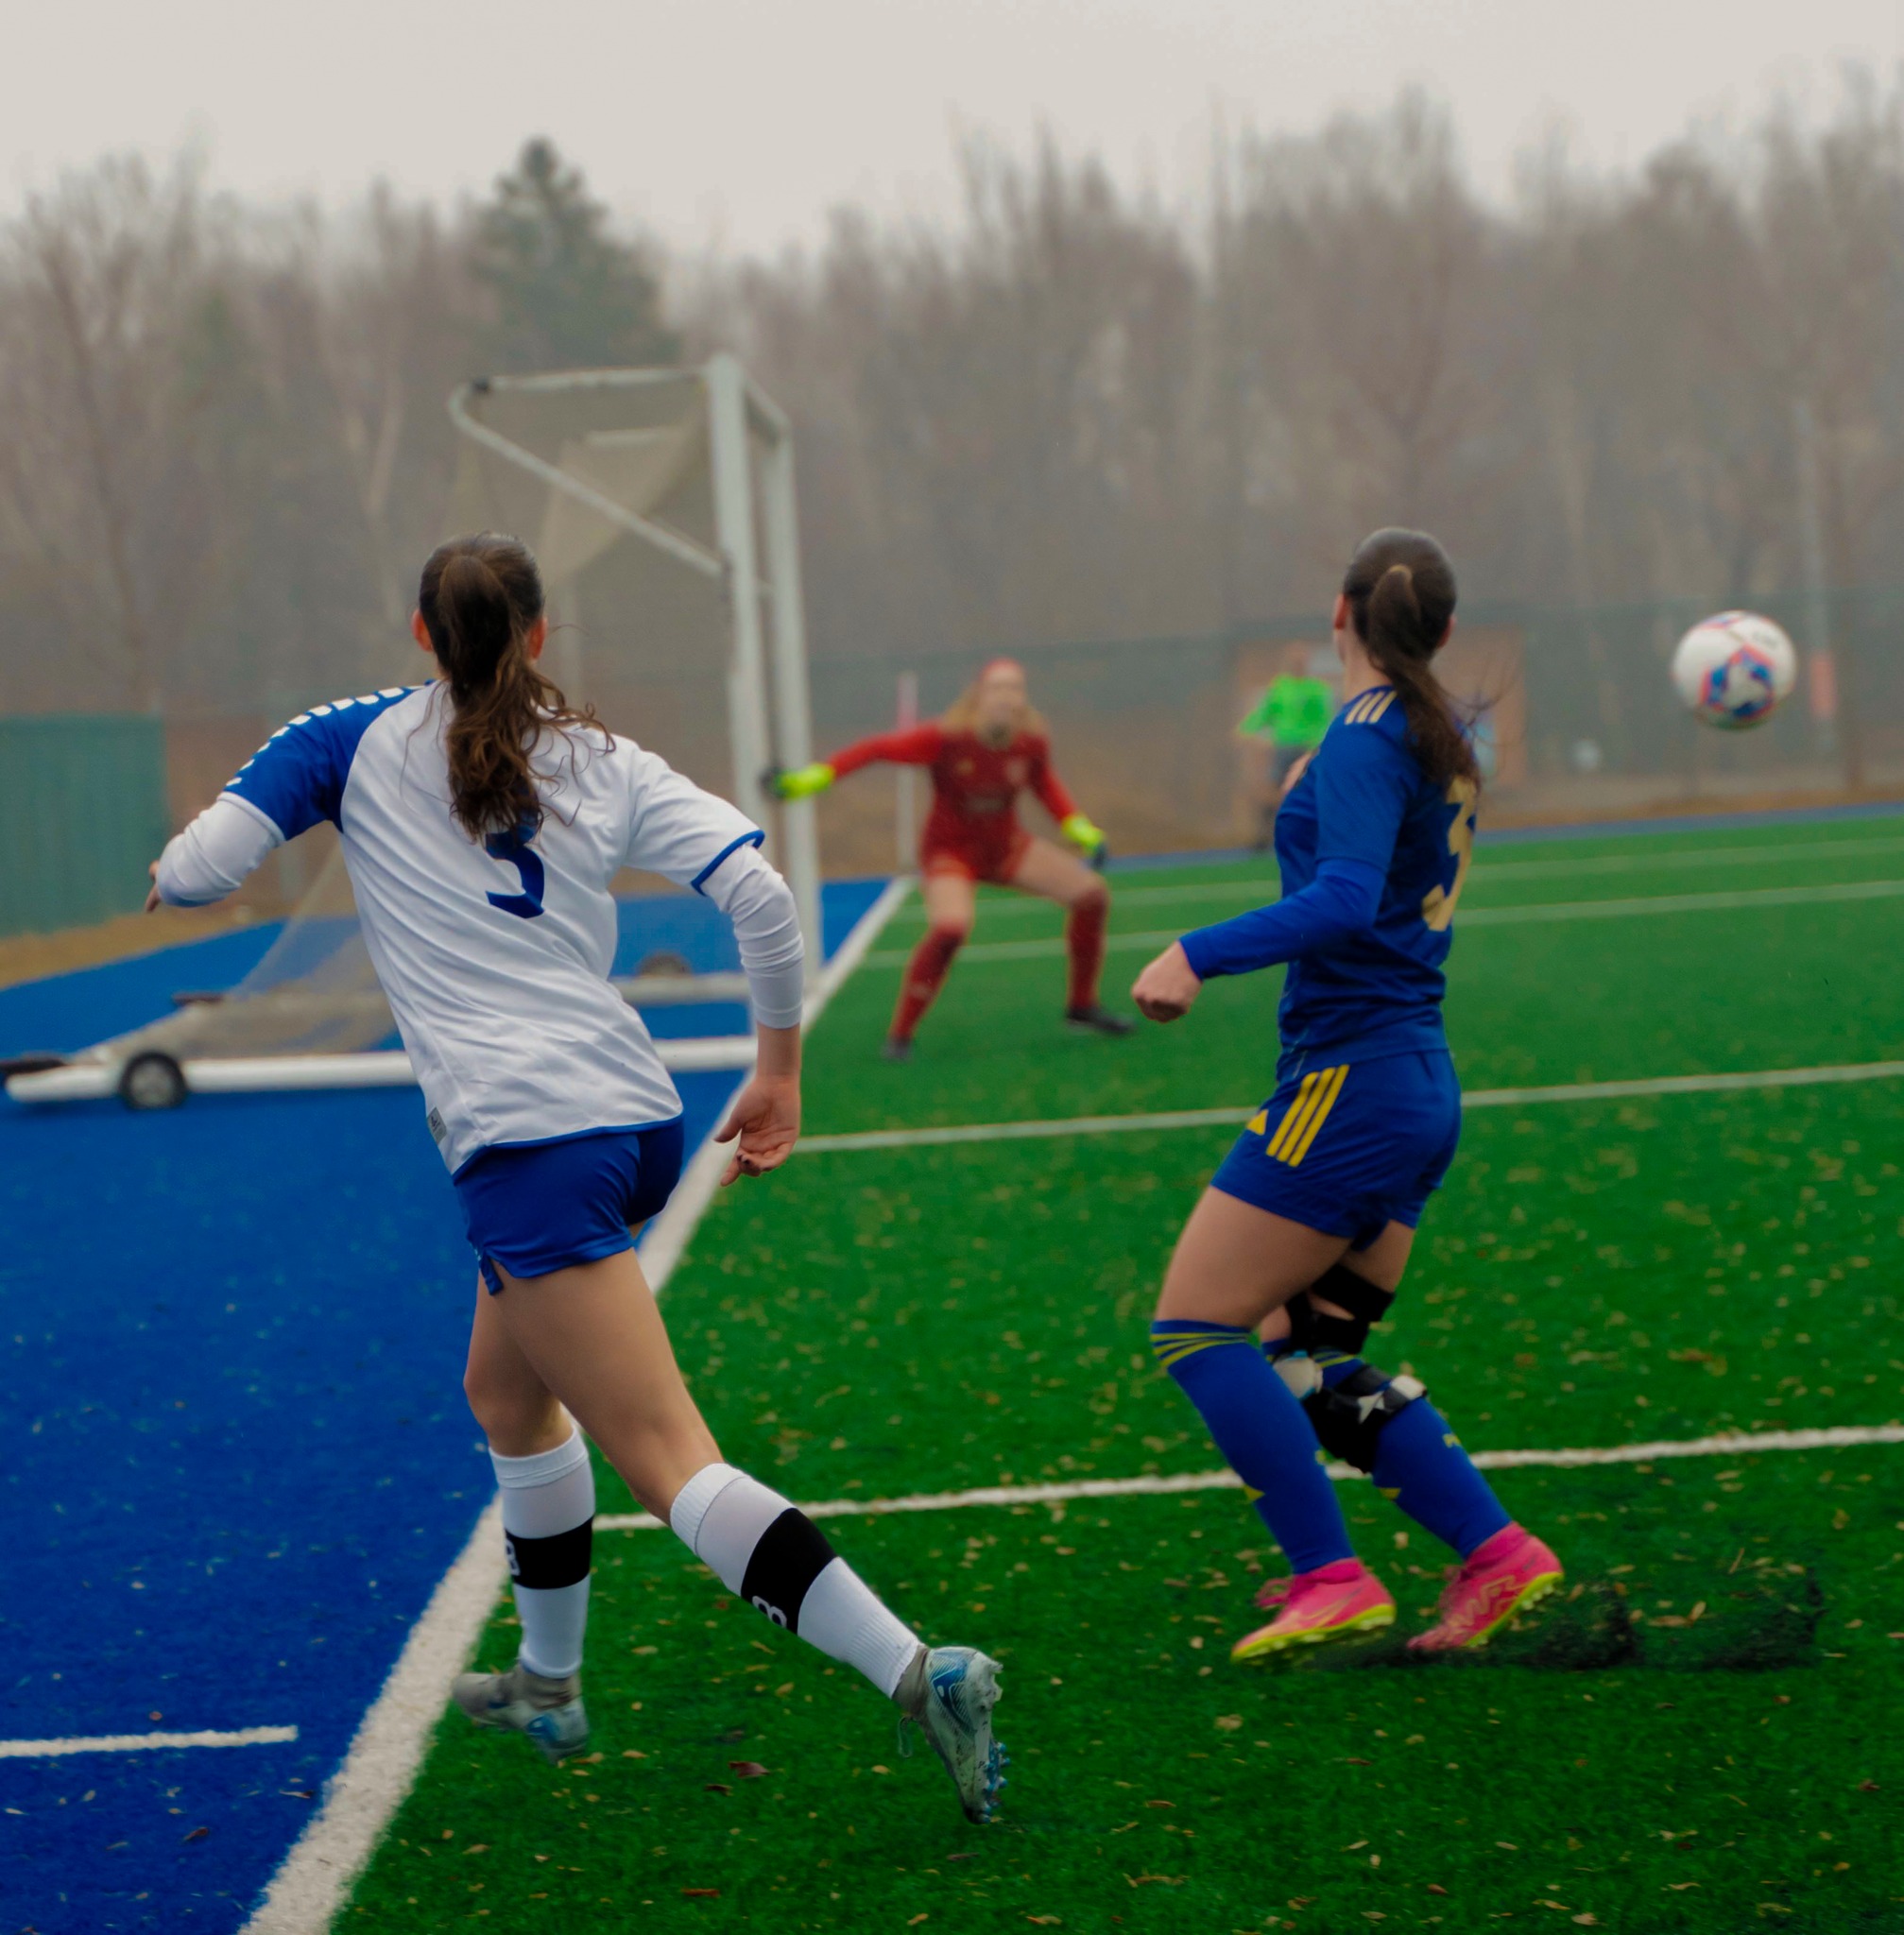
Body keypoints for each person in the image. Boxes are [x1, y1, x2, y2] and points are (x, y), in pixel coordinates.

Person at [147, 533, 1005, 1820]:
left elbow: (205, 869)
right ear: (540, 637)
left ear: (423, 634)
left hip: (529, 1147)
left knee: (668, 1465)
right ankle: (551, 1682)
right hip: (629, 1121)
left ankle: (915, 1669)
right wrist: (777, 1074)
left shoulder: (350, 741)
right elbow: (764, 902)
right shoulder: (605, 758)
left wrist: (165, 869)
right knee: (502, 1393)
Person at [1131, 528, 1561, 1662]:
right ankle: (1495, 1550)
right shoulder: (1434, 736)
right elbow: (1367, 850)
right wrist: (1311, 788)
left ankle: (1328, 1573)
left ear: (1339, 613)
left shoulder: (1373, 740)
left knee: (1193, 1325)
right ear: (1444, 631)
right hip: (1413, 1081)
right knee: (1301, 1355)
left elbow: (1341, 899)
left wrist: (1194, 950)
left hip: (1351, 1080)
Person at [775, 659, 1132, 1058]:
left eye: (1015, 688)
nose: (1006, 696)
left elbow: (1045, 785)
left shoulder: (1030, 740)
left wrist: (1080, 830)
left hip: (1006, 848)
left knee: (1091, 896)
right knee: (951, 927)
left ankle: (1081, 1007)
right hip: (951, 854)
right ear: (978, 693)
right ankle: (901, 1034)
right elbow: (876, 749)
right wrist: (815, 777)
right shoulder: (947, 738)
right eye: (997, 687)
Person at [1237, 645, 1334, 850]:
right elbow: (1265, 714)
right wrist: (1246, 730)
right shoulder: (1280, 688)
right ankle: (1263, 837)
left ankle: (1319, 837)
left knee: (1314, 790)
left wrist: (1316, 745)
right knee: (1273, 790)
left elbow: (1324, 719)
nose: (1298, 664)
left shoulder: (1316, 689)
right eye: (1294, 660)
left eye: (1302, 660)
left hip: (1307, 749)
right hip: (1283, 747)